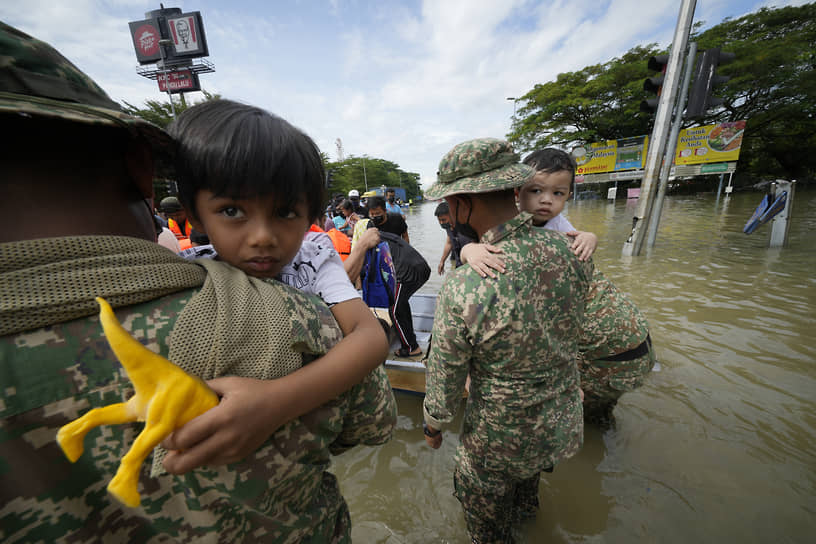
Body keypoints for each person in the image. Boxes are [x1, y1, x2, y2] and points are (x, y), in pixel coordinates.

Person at [0, 23, 396, 542]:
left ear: (310, 216)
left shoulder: (316, 254)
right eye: (233, 210)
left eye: (286, 214)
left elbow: (370, 339)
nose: (263, 238)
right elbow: (370, 423)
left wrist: (277, 401)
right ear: (193, 216)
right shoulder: (197, 266)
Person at [421, 138, 593, 543]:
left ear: (463, 202)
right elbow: (574, 327)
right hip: (556, 425)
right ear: (514, 190)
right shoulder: (574, 250)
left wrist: (433, 425)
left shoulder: (467, 283)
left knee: (488, 532)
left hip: (496, 441)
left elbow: (446, 375)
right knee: (527, 505)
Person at [463, 148, 654, 427]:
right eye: (536, 191)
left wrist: (590, 237)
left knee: (573, 418)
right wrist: (470, 250)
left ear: (568, 195)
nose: (545, 201)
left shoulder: (561, 232)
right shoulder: (520, 230)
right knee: (598, 413)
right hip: (633, 344)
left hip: (603, 353)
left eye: (557, 194)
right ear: (517, 192)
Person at [434, 200, 475, 275]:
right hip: (458, 263)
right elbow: (449, 243)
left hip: (471, 265)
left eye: (443, 220)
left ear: (452, 214)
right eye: (439, 220)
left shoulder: (465, 227)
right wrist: (442, 261)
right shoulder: (448, 227)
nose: (441, 223)